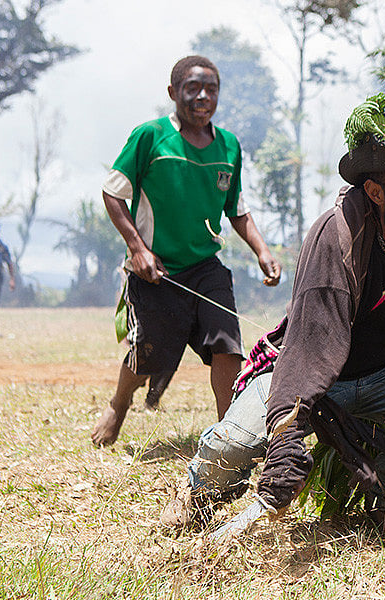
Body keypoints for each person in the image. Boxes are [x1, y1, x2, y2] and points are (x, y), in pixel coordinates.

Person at [159, 86, 385, 537]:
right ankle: (195, 496)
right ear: (376, 193)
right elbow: (310, 349)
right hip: (311, 373)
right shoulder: (337, 235)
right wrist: (285, 436)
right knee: (234, 445)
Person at [91, 55, 282, 447]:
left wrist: (263, 251)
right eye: (192, 88)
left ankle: (230, 437)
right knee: (147, 357)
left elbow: (237, 209)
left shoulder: (229, 145)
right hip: (155, 271)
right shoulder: (150, 136)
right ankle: (119, 404)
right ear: (173, 92)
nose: (202, 97)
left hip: (205, 268)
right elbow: (113, 191)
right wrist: (137, 249)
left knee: (227, 346)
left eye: (211, 89)